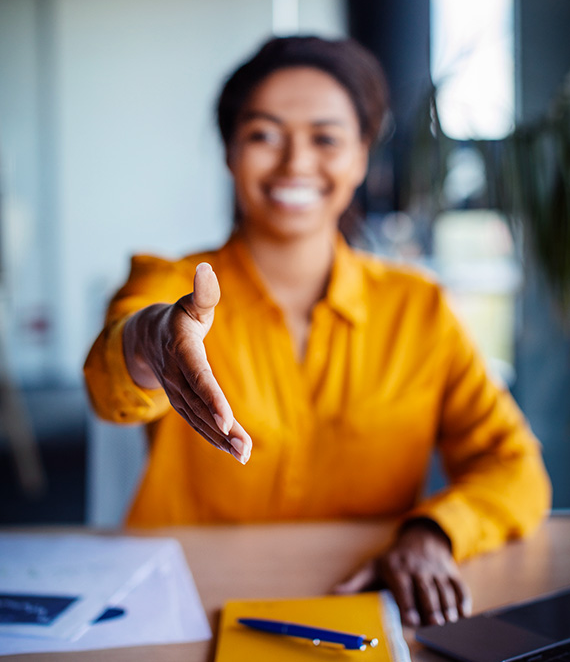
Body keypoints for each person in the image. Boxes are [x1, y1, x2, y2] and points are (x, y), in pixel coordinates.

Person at [84, 35, 551, 628]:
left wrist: (436, 532)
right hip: (183, 607)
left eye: (325, 138)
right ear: (230, 151)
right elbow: (110, 384)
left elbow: (514, 468)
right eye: (263, 135)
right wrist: (152, 339)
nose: (295, 163)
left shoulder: (418, 308)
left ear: (360, 156)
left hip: (363, 606)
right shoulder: (167, 282)